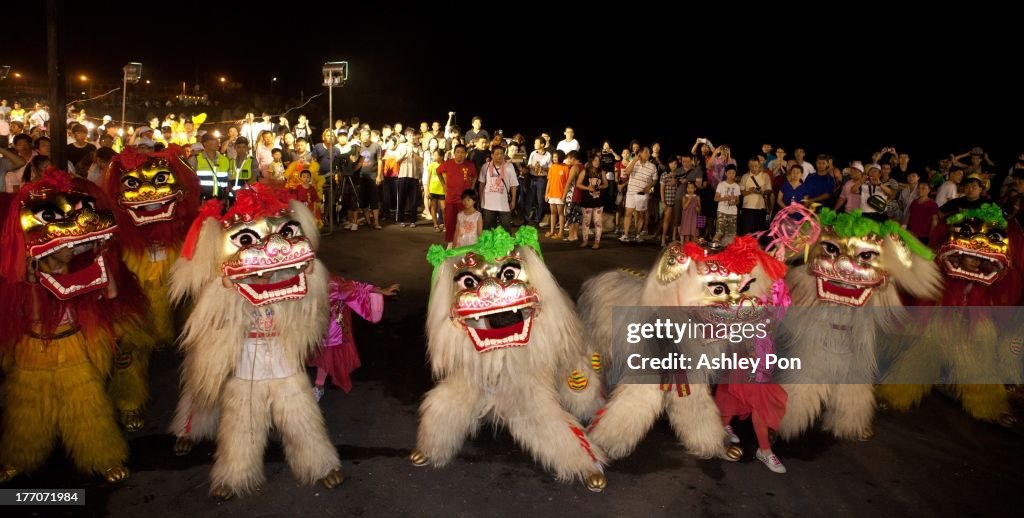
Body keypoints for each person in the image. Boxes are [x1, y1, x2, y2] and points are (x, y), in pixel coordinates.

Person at [310, 276, 399, 402]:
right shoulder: (300, 281)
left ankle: (319, 387)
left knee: (325, 358)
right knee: (319, 355)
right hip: (313, 327)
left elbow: (355, 288)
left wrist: (378, 290)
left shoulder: (332, 283)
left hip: (330, 330)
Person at [476, 145, 518, 232]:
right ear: (492, 155)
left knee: (506, 229)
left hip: (504, 204)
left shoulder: (509, 166)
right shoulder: (485, 166)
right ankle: (490, 246)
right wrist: (481, 200)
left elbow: (513, 185)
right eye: (497, 154)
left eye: (502, 154)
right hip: (488, 204)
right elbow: (481, 184)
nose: (500, 156)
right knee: (489, 229)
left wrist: (513, 201)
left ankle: (507, 246)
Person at [578, 153, 608, 249]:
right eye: (595, 160)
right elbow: (578, 184)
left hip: (598, 201)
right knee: (586, 222)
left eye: (598, 161)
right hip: (586, 200)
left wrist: (599, 186)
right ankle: (585, 240)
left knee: (597, 222)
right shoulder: (584, 171)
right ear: (591, 161)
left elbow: (606, 184)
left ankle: (597, 242)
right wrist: (588, 188)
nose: (597, 162)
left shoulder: (601, 172)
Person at [713, 165, 741, 244]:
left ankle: (727, 252)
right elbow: (716, 198)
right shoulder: (721, 185)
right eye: (729, 173)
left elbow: (738, 201)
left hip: (733, 212)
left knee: (731, 234)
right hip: (722, 211)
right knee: (719, 232)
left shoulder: (737, 186)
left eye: (733, 173)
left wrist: (734, 202)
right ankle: (714, 250)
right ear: (725, 173)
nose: (731, 175)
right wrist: (726, 198)